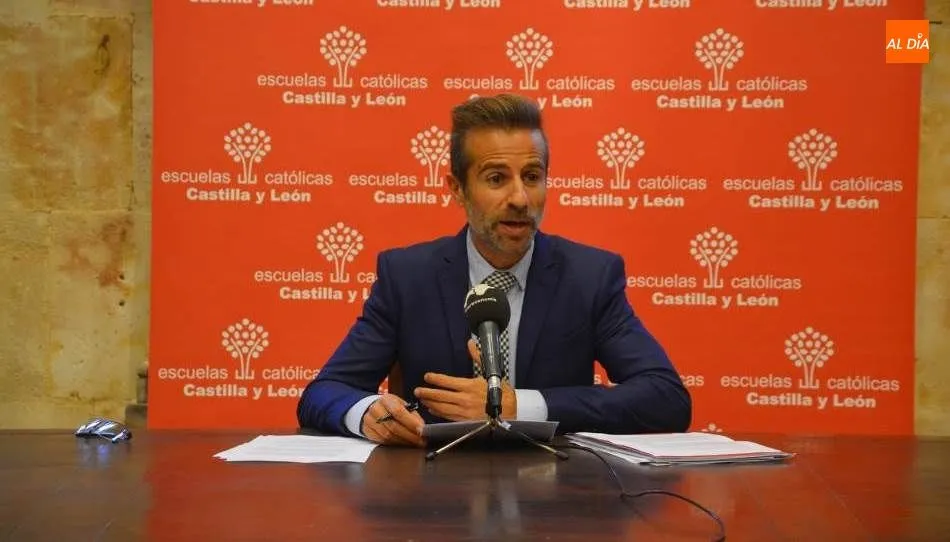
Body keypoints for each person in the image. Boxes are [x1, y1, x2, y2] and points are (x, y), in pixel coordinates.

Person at [296, 93, 692, 447]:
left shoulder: (589, 277)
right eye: (497, 178)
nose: (520, 198)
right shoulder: (407, 276)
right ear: (456, 188)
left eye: (533, 177)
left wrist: (520, 405)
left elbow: (665, 398)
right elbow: (325, 391)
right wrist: (366, 414)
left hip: (558, 499)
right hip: (431, 500)